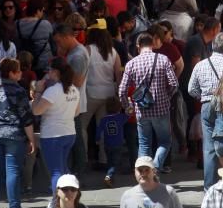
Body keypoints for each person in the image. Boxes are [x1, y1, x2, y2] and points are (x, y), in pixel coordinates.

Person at [188, 32, 223, 192]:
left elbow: (191, 89)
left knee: (209, 147)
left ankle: (209, 188)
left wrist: (203, 98)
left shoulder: (200, 65)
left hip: (206, 104)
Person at [0, 57, 35, 208]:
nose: (20, 73)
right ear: (12, 73)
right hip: (14, 135)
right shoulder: (19, 91)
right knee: (13, 170)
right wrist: (32, 139)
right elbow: (26, 118)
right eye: (18, 71)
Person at [119, 32, 178, 172]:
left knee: (144, 144)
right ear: (152, 45)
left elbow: (122, 90)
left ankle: (143, 175)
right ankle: (156, 167)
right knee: (165, 141)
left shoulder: (131, 64)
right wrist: (166, 96)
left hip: (141, 110)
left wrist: (128, 107)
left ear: (138, 46)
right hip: (162, 109)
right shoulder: (163, 59)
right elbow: (174, 84)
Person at [31, 57, 80, 193]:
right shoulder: (74, 89)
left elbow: (36, 110)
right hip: (69, 133)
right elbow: (76, 112)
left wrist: (38, 92)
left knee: (56, 172)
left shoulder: (52, 91)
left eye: (49, 70)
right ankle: (69, 200)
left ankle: (56, 204)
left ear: (55, 72)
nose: (48, 73)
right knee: (63, 168)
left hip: (52, 135)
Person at [53, 24, 90, 177]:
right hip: (72, 103)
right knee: (74, 139)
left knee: (76, 141)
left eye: (59, 41)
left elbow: (77, 82)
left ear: (67, 37)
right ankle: (76, 171)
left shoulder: (78, 55)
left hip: (73, 104)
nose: (58, 45)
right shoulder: (74, 53)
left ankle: (78, 172)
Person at [82, 24, 122, 163]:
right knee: (104, 127)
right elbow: (118, 75)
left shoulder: (87, 50)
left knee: (82, 126)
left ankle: (83, 158)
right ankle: (104, 159)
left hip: (90, 94)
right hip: (109, 94)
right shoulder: (113, 52)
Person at [96, 96, 127, 187]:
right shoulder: (121, 117)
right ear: (119, 108)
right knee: (115, 163)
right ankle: (109, 176)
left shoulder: (103, 119)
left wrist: (97, 139)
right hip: (118, 144)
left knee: (110, 161)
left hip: (107, 144)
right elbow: (129, 114)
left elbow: (99, 130)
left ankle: (110, 177)